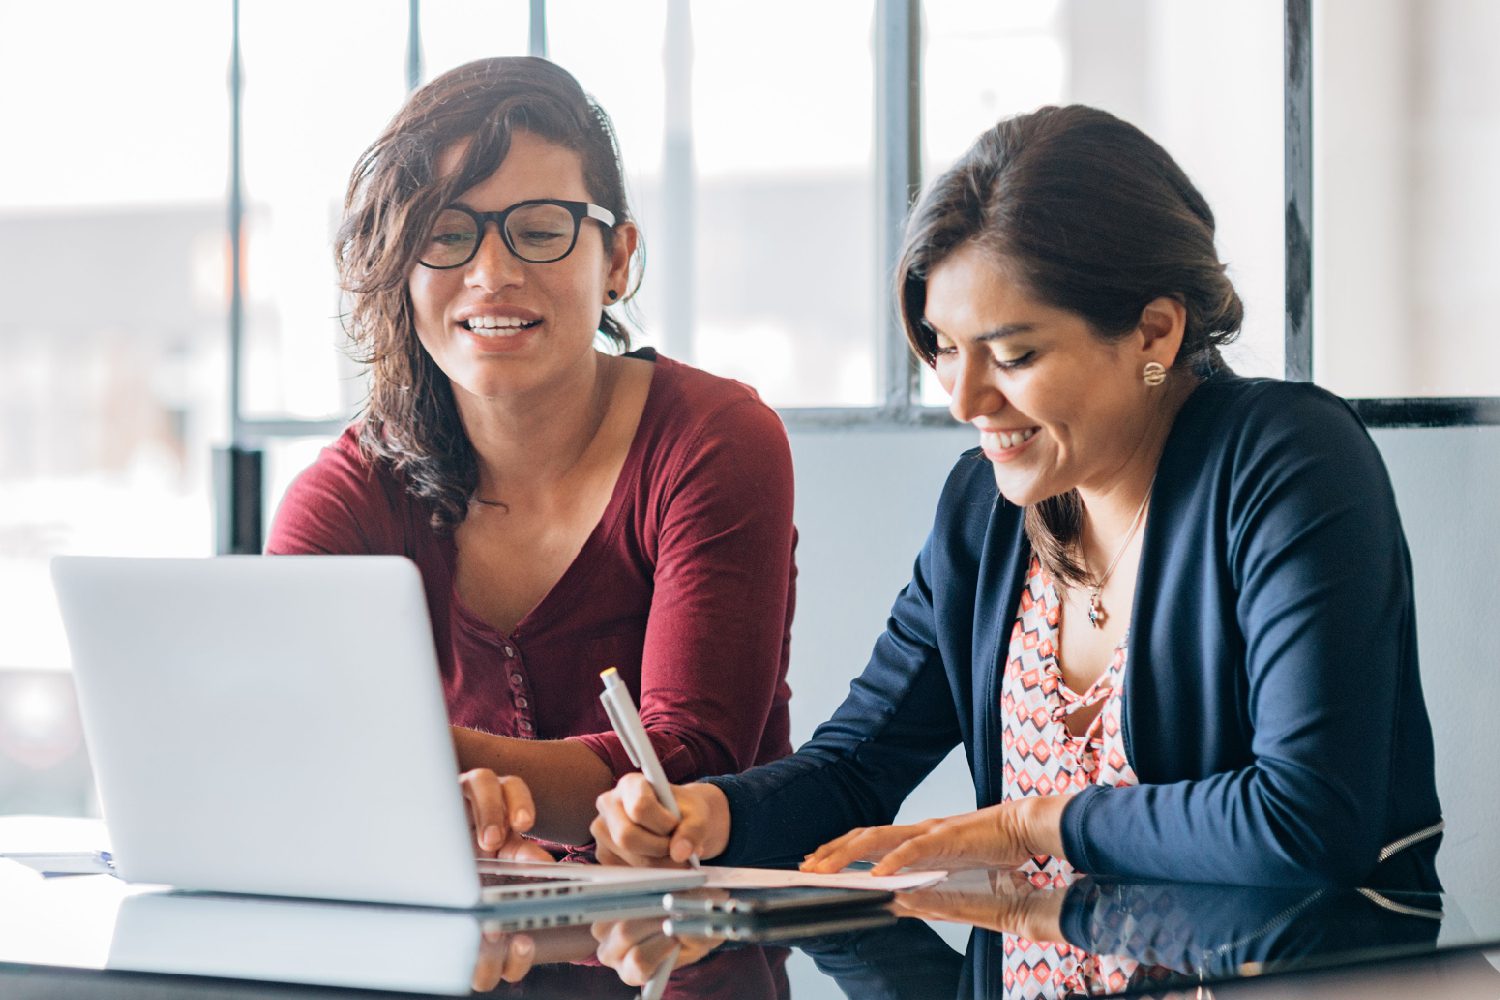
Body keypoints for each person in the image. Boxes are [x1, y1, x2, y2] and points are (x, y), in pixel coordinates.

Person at [583, 105, 1444, 890]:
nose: (965, 401)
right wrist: (714, 813)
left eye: (1014, 355)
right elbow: (857, 767)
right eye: (945, 349)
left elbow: (1306, 821)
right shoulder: (986, 511)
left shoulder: (1287, 461)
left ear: (1155, 330)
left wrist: (1035, 824)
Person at [266, 57, 797, 858]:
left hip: (697, 948)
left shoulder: (715, 439)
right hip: (460, 958)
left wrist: (419, 773)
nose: (492, 274)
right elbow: (283, 742)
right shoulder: (348, 493)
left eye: (541, 229)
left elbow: (685, 761)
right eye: (446, 234)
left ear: (616, 260)